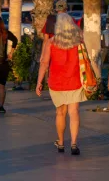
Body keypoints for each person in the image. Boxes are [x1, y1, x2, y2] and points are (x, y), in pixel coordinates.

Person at [36, 12, 87, 154]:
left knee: (60, 113)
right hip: (75, 81)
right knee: (74, 112)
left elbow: (44, 63)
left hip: (57, 83)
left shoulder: (51, 43)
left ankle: (61, 142)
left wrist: (39, 82)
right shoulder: (78, 42)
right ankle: (74, 144)